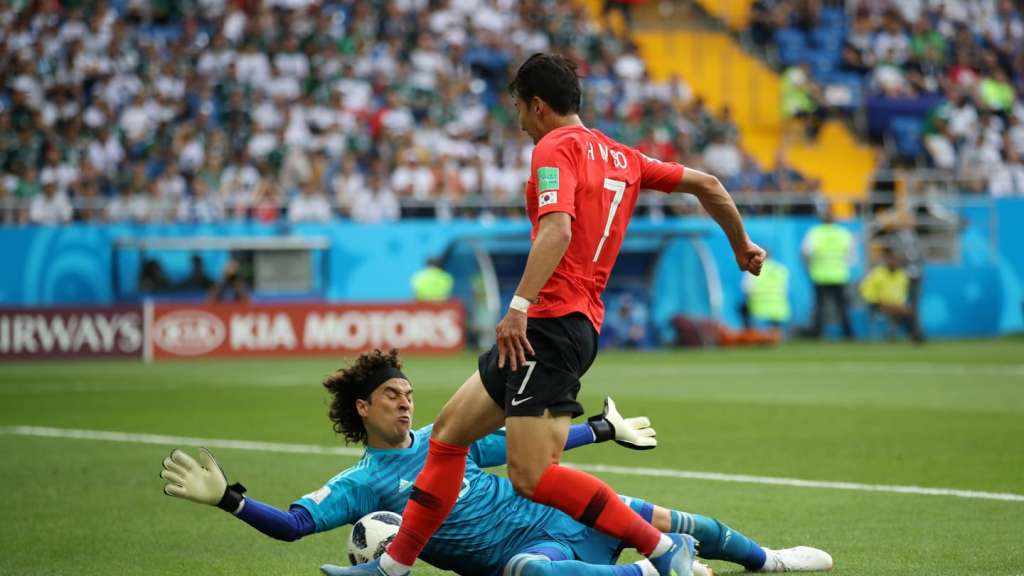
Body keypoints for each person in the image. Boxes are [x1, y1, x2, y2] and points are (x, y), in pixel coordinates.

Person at [339, 53, 767, 576]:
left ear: (538, 105)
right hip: (569, 323)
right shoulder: (622, 156)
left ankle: (661, 549)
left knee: (532, 476)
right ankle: (393, 567)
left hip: (549, 324)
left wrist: (517, 306)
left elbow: (557, 229)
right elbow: (710, 185)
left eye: (519, 108)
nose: (518, 121)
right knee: (448, 436)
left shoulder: (553, 147)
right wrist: (742, 246)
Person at [159, 349, 832, 575]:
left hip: (551, 511)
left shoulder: (442, 441)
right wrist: (229, 499)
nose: (406, 402)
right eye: (392, 396)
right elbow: (294, 527)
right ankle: (661, 565)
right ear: (362, 409)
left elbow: (530, 446)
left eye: (408, 393)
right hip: (524, 556)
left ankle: (771, 560)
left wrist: (601, 426)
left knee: (679, 518)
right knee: (533, 573)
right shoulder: (361, 485)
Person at [801, 207, 855, 340]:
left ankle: (817, 333)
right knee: (842, 307)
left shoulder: (815, 233)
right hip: (839, 275)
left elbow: (805, 253)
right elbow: (851, 256)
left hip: (820, 274)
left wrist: (809, 268)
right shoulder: (844, 233)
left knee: (820, 307)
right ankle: (848, 334)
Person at [859, 250, 924, 343]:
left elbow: (902, 294)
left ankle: (912, 335)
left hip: (895, 305)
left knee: (908, 311)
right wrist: (876, 300)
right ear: (886, 261)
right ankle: (914, 335)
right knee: (904, 312)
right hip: (877, 304)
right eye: (891, 260)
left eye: (896, 260)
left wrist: (899, 305)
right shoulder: (877, 273)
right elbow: (866, 289)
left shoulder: (901, 275)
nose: (894, 262)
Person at [739, 258, 790, 331]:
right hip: (779, 308)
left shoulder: (752, 269)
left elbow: (746, 289)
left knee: (742, 308)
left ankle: (750, 331)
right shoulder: (780, 269)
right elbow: (785, 290)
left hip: (757, 306)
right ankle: (775, 332)